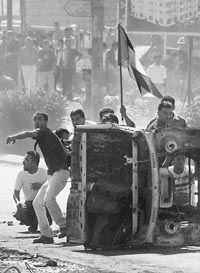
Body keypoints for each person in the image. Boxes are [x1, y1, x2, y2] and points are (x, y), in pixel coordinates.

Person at [7, 112, 69, 244]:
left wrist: (14, 137)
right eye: (35, 120)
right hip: (53, 174)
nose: (37, 122)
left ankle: (64, 226)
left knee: (49, 199)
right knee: (37, 202)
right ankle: (46, 234)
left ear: (46, 121)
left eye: (40, 119)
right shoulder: (46, 134)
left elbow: (28, 134)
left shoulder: (43, 131)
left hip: (60, 172)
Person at [13, 151, 49, 232]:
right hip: (28, 204)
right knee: (22, 208)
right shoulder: (21, 174)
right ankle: (33, 223)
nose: (23, 162)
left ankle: (42, 222)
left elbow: (54, 186)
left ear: (34, 162)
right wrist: (18, 202)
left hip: (43, 204)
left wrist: (41, 185)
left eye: (26, 160)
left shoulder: (44, 172)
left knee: (42, 205)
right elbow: (15, 193)